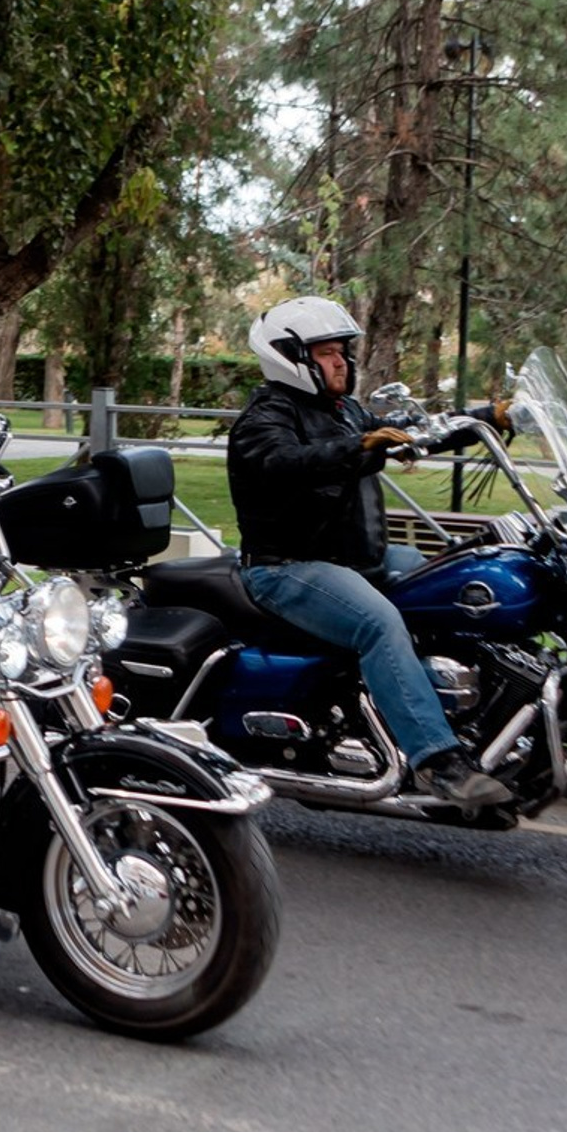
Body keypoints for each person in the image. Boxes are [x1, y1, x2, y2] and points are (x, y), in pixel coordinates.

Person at [227, 295, 512, 807]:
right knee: (378, 623)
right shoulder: (264, 420)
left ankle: (480, 715)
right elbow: (286, 462)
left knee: (459, 581)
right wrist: (358, 448)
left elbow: (409, 436)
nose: (341, 362)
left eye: (342, 352)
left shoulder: (343, 411)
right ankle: (437, 761)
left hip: (357, 559)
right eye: (327, 353)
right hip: (288, 567)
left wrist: (482, 418)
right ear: (290, 357)